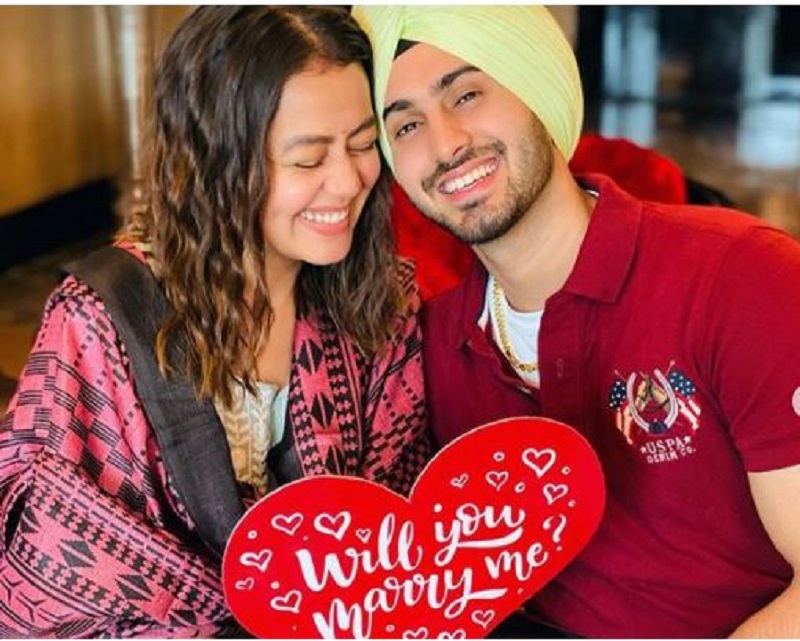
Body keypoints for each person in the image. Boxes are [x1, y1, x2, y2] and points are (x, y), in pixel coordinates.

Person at [352, 5, 800, 638]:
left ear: (535, 87)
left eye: (468, 94)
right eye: (406, 126)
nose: (445, 144)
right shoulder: (428, 347)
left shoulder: (741, 275)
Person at [0, 6, 430, 637]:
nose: (347, 182)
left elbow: (403, 533)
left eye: (363, 144)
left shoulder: (381, 302)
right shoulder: (99, 322)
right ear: (216, 162)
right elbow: (50, 558)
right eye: (308, 159)